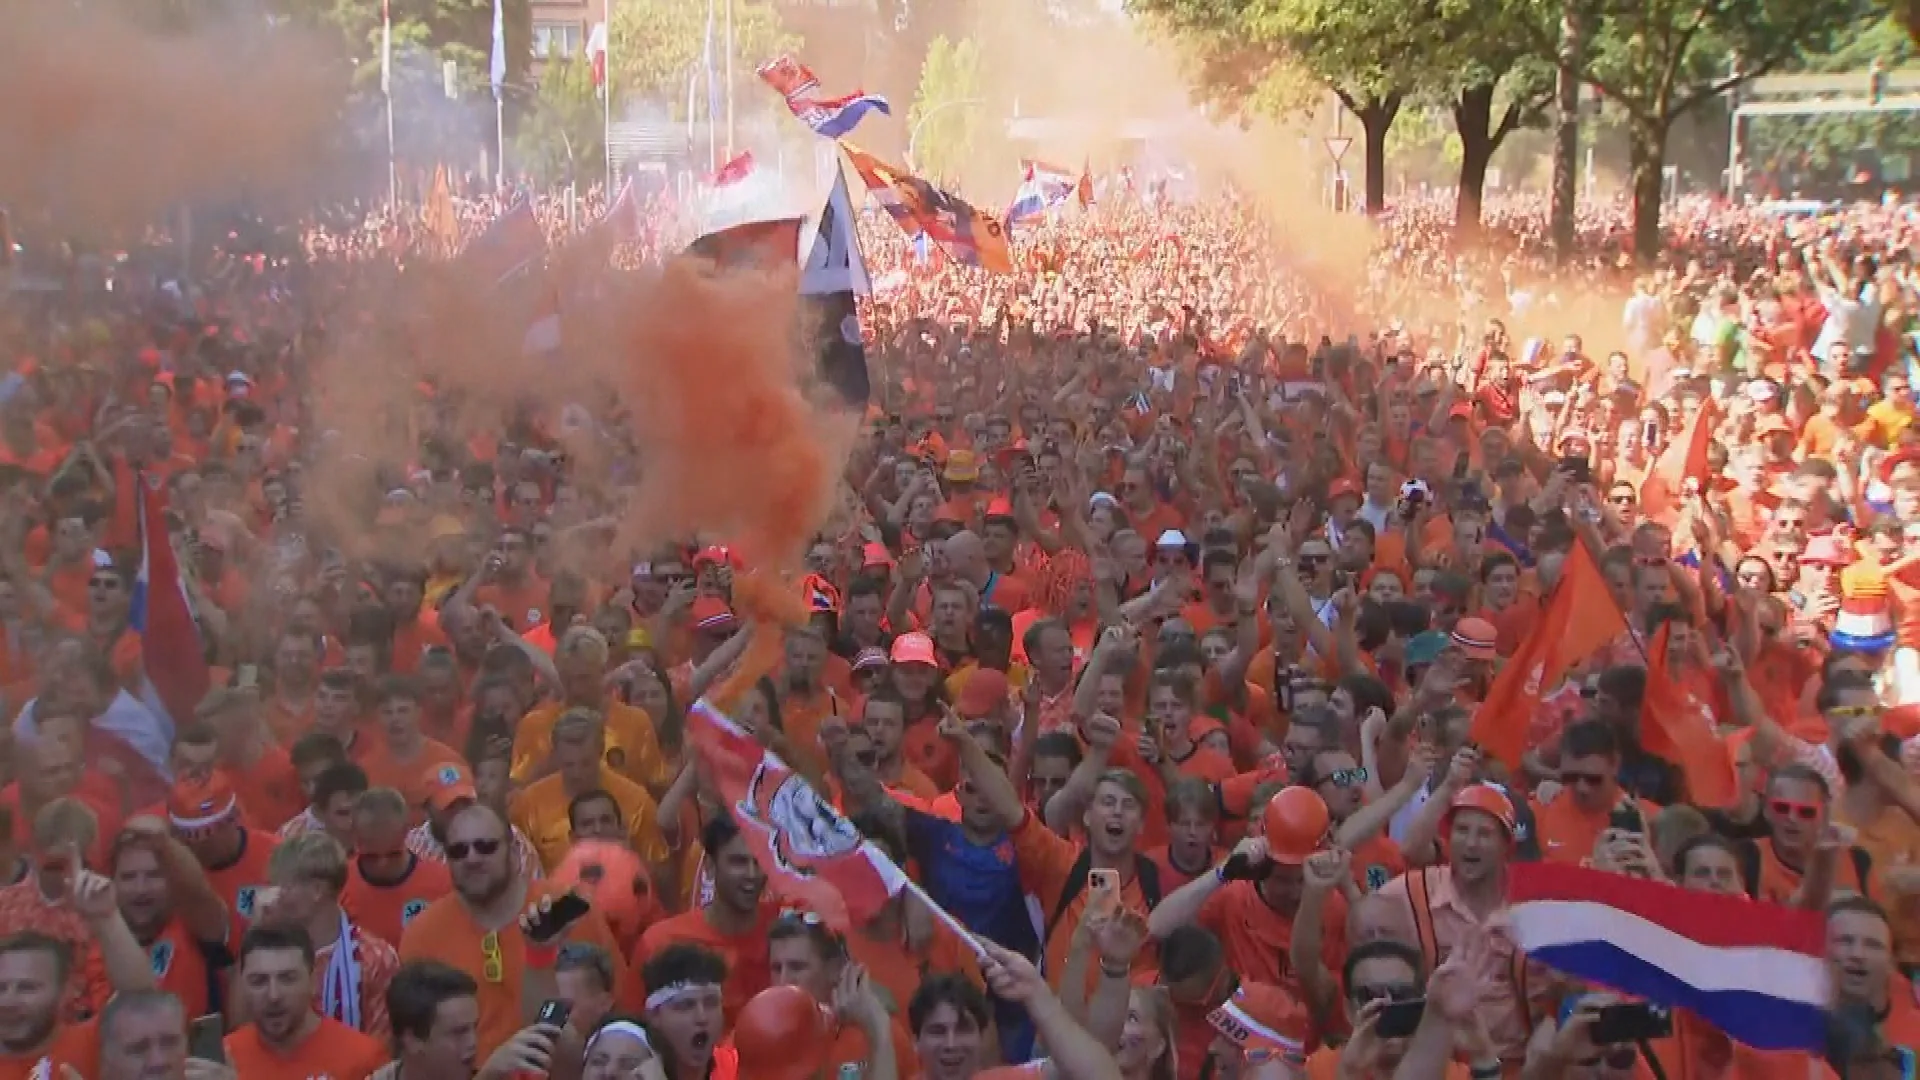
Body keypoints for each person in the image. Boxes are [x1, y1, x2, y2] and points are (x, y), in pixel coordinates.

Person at [399, 802, 626, 1061]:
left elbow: (620, 1008)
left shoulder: (568, 910)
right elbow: (413, 1044)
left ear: (514, 851)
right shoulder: (423, 933)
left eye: (486, 846)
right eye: (458, 851)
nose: (472, 858)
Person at [0, 863, 156, 1079]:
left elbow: (141, 1000)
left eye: (27, 988)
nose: (8, 1001)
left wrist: (107, 918)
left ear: (67, 992)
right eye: (1, 988)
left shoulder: (94, 1044)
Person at [259, 830, 401, 1039]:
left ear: (317, 890)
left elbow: (382, 1047)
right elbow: (241, 1025)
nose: (272, 897)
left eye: (283, 886)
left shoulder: (375, 958)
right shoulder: (269, 955)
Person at [635, 814, 776, 1020]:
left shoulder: (786, 925)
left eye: (759, 861)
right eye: (738, 862)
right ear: (709, 866)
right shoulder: (663, 941)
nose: (752, 874)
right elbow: (631, 1028)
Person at [222, 922, 388, 1079]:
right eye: (259, 981)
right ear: (242, 986)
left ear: (313, 981)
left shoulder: (363, 1059)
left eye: (288, 979)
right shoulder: (222, 1059)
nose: (274, 995)